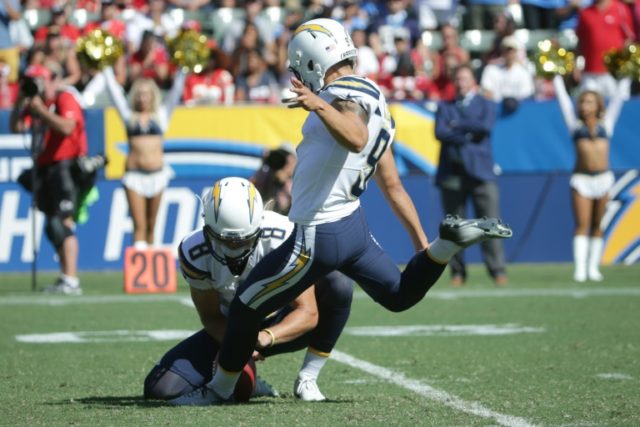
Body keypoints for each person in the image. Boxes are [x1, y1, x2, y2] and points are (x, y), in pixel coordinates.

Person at [170, 18, 512, 406]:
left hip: (319, 231)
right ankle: (446, 248)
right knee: (398, 294)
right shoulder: (378, 100)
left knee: (248, 304)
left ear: (312, 61)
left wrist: (317, 102)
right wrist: (423, 245)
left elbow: (355, 135)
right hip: (353, 225)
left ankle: (217, 391)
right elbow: (393, 186)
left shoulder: (342, 94)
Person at [144, 177, 353, 402]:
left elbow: (308, 313)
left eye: (243, 240)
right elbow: (211, 317)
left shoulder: (282, 236)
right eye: (225, 240)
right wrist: (239, 346)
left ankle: (308, 378)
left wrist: (263, 338)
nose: (234, 248)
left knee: (337, 283)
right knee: (160, 389)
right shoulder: (195, 252)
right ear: (207, 228)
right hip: (230, 327)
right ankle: (247, 383)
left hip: (280, 323)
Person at [9, 64, 88, 295]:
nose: (37, 86)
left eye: (39, 80)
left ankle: (72, 279)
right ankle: (65, 276)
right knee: (52, 226)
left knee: (63, 223)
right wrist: (20, 102)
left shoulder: (64, 98)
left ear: (52, 80)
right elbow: (15, 127)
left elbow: (66, 127)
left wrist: (41, 111)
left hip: (65, 166)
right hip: (45, 165)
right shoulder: (34, 103)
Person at [435, 64, 508, 286]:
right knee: (454, 228)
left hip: (481, 173)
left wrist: (457, 126)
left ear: (473, 82)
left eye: (465, 78)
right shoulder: (444, 106)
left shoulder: (485, 104)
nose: (461, 83)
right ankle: (457, 273)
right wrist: (468, 132)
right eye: (457, 79)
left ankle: (497, 271)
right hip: (452, 174)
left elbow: (484, 127)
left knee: (491, 225)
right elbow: (440, 132)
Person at [553, 74, 631, 282]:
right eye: (583, 101)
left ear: (598, 105)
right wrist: (557, 78)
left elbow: (618, 100)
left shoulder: (607, 124)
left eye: (590, 101)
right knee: (582, 223)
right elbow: (563, 101)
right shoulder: (575, 125)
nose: (585, 105)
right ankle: (579, 268)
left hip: (603, 178)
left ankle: (593, 267)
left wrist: (627, 74)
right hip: (582, 179)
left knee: (598, 224)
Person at [103, 65, 186, 249]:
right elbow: (114, 94)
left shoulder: (161, 116)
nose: (142, 97)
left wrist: (183, 69)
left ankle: (151, 271)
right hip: (134, 177)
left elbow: (175, 93)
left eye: (146, 93)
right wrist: (106, 68)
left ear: (153, 96)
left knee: (152, 225)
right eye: (139, 93)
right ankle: (138, 273)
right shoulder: (129, 116)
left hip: (157, 175)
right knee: (138, 225)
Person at [251, 143, 297, 215]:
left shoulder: (298, 181)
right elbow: (249, 188)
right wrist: (265, 163)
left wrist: (285, 181)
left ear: (294, 160)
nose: (282, 160)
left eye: (286, 155)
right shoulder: (267, 174)